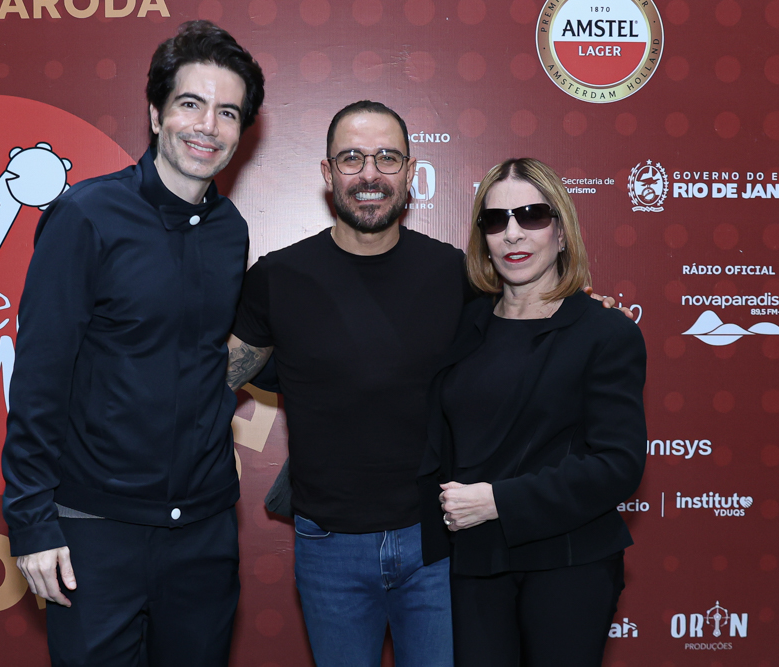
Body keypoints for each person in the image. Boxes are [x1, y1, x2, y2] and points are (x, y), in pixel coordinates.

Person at [225, 103, 628, 666]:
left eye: (387, 158)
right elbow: (217, 374)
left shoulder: (458, 276)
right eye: (351, 158)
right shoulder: (277, 277)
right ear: (327, 173)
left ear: (411, 172)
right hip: (328, 545)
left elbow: (531, 316)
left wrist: (587, 311)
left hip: (438, 544)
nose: (370, 174)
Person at [0, 20, 264, 666]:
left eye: (228, 112)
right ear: (155, 113)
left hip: (203, 533)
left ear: (241, 131)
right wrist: (32, 521)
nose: (208, 126)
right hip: (95, 532)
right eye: (190, 103)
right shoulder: (84, 216)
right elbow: (38, 379)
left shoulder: (231, 231)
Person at [419, 158, 647, 667]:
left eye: (532, 216)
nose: (512, 234)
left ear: (561, 233)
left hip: (569, 561)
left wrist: (499, 501)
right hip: (475, 561)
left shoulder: (605, 332)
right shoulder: (464, 324)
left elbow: (618, 464)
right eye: (495, 220)